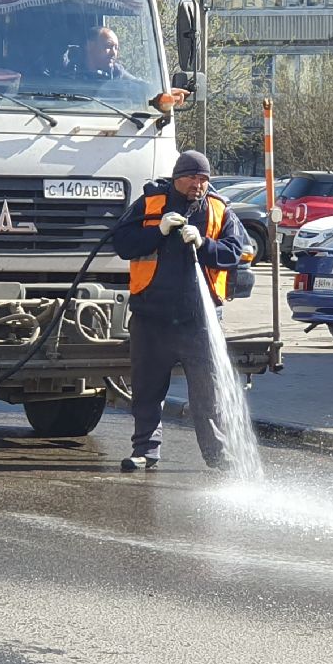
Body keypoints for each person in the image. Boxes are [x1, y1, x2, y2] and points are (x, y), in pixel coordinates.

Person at [111, 149, 250, 471]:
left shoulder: (218, 211)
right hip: (151, 317)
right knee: (147, 390)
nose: (198, 185)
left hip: (199, 320)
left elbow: (237, 252)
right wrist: (156, 231)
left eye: (203, 179)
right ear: (177, 178)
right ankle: (145, 451)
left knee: (208, 393)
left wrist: (205, 244)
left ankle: (218, 455)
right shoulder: (150, 205)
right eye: (192, 177)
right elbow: (122, 244)